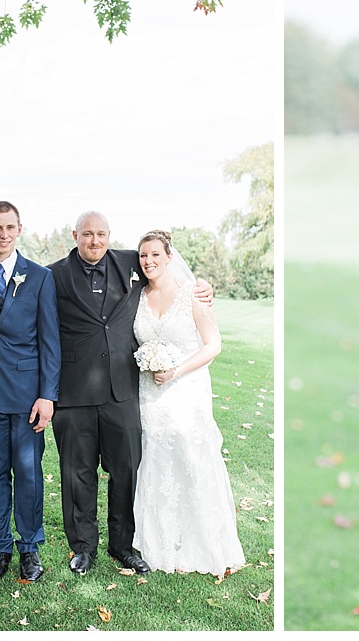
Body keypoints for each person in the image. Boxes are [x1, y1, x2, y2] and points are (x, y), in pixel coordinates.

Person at [49, 211, 212, 576]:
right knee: (78, 473)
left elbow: (165, 271)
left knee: (126, 470)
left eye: (101, 234)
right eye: (88, 234)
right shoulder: (53, 274)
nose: (95, 241)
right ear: (75, 234)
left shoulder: (130, 262)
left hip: (123, 391)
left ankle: (123, 545)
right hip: (73, 392)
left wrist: (204, 288)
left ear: (110, 236)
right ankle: (83, 547)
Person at [130, 230, 246, 574]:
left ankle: (203, 543)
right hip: (150, 396)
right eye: (143, 256)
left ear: (169, 257)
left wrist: (176, 370)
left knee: (190, 460)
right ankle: (160, 542)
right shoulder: (137, 295)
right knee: (156, 461)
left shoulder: (192, 294)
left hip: (186, 391)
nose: (148, 261)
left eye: (155, 255)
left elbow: (213, 345)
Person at [0, 202, 59, 583]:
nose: (3, 234)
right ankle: (0, 547)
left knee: (29, 473)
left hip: (27, 395)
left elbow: (50, 341)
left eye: (10, 227)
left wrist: (47, 395)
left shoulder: (38, 277)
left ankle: (30, 547)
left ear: (20, 229)